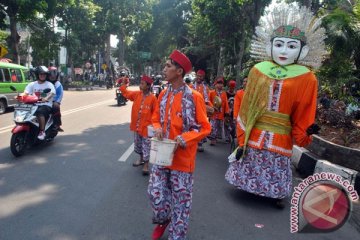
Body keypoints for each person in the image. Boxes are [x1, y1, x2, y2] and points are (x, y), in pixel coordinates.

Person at [225, 3, 326, 208]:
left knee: (276, 161)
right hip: (256, 128)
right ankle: (247, 185)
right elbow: (248, 103)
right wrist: (243, 127)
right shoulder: (258, 70)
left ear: (303, 50)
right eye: (279, 44)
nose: (283, 51)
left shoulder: (307, 78)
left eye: (291, 46)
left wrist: (304, 132)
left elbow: (304, 110)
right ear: (270, 45)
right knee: (254, 157)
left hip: (282, 131)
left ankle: (276, 192)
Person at [148, 49, 211, 240]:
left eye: (168, 66)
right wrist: (157, 127)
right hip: (161, 155)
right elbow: (155, 117)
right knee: (155, 194)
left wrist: (183, 139)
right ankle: (164, 218)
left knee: (181, 203)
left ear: (179, 71)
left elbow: (204, 127)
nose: (164, 69)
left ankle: (176, 235)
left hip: (182, 160)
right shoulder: (164, 94)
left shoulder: (194, 97)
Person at [119, 75, 157, 175]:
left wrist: (154, 127)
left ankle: (146, 165)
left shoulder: (153, 98)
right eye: (140, 83)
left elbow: (156, 114)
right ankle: (140, 159)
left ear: (148, 86)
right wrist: (123, 84)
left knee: (146, 147)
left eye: (142, 83)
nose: (140, 85)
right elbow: (126, 93)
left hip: (147, 129)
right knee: (138, 145)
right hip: (137, 127)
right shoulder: (137, 94)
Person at [23, 66, 56, 140]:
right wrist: (21, 96)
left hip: (46, 105)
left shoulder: (49, 84)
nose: (42, 75)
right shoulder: (32, 84)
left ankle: (42, 131)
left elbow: (52, 93)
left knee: (39, 112)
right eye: (41, 74)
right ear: (37, 74)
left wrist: (46, 98)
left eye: (44, 74)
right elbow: (26, 92)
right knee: (23, 110)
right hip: (34, 104)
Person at [191, 69, 211, 152]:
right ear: (196, 75)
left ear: (203, 77)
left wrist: (210, 107)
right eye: (198, 76)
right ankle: (192, 142)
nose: (199, 77)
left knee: (201, 125)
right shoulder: (191, 86)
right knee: (192, 125)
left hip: (201, 109)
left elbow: (207, 99)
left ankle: (199, 144)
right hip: (191, 108)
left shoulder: (205, 87)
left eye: (201, 76)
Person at [208, 76, 230, 145]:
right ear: (215, 84)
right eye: (218, 83)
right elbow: (208, 101)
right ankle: (213, 139)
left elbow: (226, 103)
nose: (220, 85)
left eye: (221, 84)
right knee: (213, 125)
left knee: (218, 126)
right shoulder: (211, 92)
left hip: (221, 114)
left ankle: (216, 137)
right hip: (213, 113)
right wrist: (212, 107)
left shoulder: (224, 93)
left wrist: (227, 112)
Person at [48, 66, 64, 132]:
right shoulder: (45, 83)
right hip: (44, 100)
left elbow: (60, 94)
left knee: (55, 107)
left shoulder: (58, 84)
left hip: (54, 101)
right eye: (51, 75)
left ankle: (57, 124)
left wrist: (56, 101)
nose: (52, 77)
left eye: (54, 75)